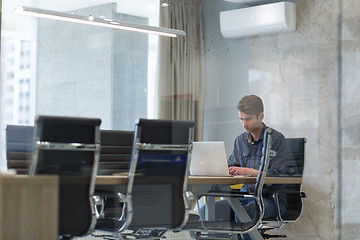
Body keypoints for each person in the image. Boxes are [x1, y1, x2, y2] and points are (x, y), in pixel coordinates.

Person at [200, 95, 287, 240]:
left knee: (243, 215)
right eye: (241, 119)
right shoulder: (240, 141)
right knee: (207, 210)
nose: (244, 124)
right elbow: (231, 165)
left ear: (261, 116)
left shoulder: (276, 139)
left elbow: (275, 176)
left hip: (270, 200)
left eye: (248, 119)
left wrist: (249, 172)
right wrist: (220, 169)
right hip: (244, 198)